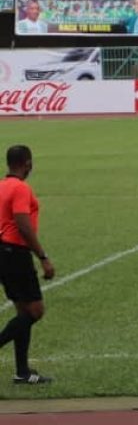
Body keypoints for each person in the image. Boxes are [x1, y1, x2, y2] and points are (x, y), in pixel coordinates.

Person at [0, 145, 55, 385]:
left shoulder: (2, 186)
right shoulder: (21, 188)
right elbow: (23, 224)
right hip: (15, 252)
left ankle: (22, 372)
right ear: (28, 163)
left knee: (22, 311)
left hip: (3, 252)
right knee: (35, 310)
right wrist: (42, 256)